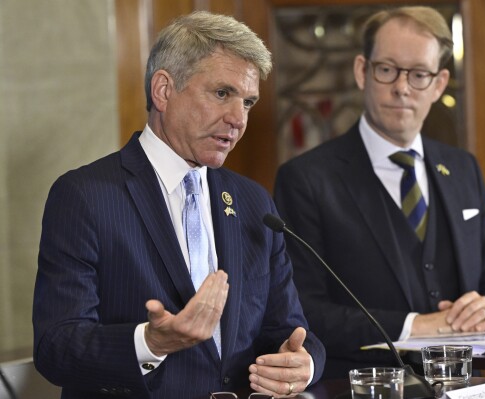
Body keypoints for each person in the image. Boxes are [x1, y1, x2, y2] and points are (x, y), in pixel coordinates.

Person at [33, 11, 325, 399]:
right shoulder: (85, 196)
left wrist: (303, 364)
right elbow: (56, 347)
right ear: (164, 90)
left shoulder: (254, 202)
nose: (238, 119)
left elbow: (288, 331)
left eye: (249, 102)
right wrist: (151, 343)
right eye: (222, 93)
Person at [274, 6, 485, 378]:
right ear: (362, 72)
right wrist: (415, 325)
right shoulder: (305, 179)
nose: (402, 87)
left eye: (419, 74)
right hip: (363, 385)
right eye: (387, 69)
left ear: (438, 84)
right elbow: (304, 308)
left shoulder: (464, 168)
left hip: (467, 382)